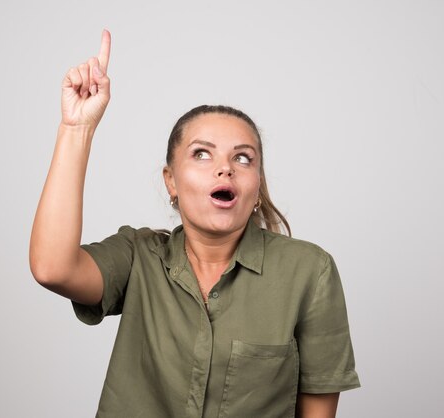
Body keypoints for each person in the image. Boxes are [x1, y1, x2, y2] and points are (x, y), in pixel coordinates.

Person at [30, 30, 360, 418]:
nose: (225, 168)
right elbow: (52, 267)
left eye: (243, 158)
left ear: (257, 184)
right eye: (202, 154)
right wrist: (76, 129)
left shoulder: (309, 271)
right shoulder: (139, 257)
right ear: (171, 180)